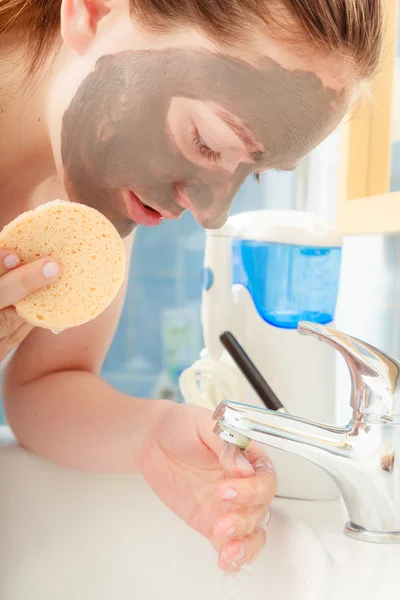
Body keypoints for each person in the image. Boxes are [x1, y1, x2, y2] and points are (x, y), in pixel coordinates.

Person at [0, 0, 384, 573]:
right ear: (94, 10)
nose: (210, 215)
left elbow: (46, 385)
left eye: (248, 174)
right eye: (205, 141)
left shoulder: (93, 194)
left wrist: (153, 432)